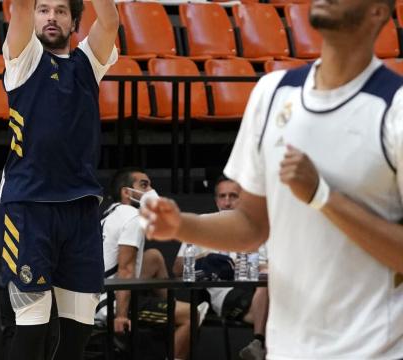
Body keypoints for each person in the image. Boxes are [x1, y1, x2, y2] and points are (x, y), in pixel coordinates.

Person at [141, 0, 403, 357]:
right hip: (287, 345)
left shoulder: (395, 106)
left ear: (378, 11)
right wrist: (180, 226)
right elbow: (251, 225)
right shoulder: (272, 92)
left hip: (375, 347)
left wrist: (322, 196)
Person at [0, 0, 118, 358]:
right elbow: (18, 7)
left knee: (77, 335)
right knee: (32, 327)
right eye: (43, 9)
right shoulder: (24, 58)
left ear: (74, 20)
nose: (51, 17)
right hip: (28, 207)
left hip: (79, 208)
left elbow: (110, 21)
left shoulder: (87, 63)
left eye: (61, 11)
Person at [95, 168, 208, 360]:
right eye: (144, 185)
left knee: (153, 256)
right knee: (191, 315)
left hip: (97, 294)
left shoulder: (109, 214)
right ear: (126, 192)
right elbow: (126, 269)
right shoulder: (132, 217)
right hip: (110, 304)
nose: (151, 191)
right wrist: (121, 316)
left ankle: (170, 305)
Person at [172, 176, 269, 360]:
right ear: (216, 200)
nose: (226, 202)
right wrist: (206, 258)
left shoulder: (257, 226)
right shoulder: (202, 222)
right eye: (222, 196)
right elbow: (177, 268)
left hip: (257, 287)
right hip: (227, 293)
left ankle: (258, 344)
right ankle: (260, 343)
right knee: (278, 320)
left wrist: (257, 265)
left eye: (233, 196)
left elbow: (268, 265)